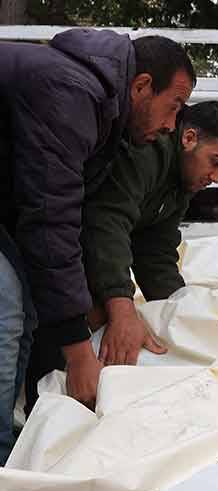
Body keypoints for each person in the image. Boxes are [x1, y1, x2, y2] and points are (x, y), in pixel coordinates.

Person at [0, 29, 195, 460]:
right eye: (174, 106)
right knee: (7, 306)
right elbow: (51, 220)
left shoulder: (102, 111)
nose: (172, 124)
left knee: (28, 307)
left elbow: (60, 218)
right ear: (142, 86)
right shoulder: (71, 93)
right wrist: (78, 354)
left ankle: (21, 444)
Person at [71, 102, 218, 376]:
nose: (216, 178)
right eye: (215, 163)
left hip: (87, 261)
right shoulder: (147, 153)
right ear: (189, 138)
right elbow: (106, 224)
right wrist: (121, 307)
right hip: (60, 258)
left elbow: (156, 252)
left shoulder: (183, 179)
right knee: (97, 333)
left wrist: (180, 314)